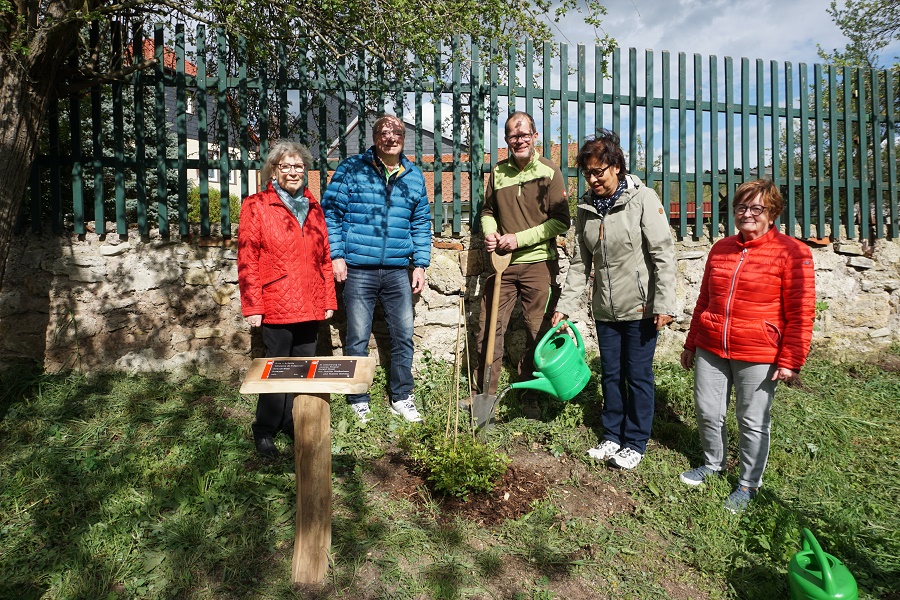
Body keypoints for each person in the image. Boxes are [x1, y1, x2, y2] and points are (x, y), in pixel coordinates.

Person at [678, 178, 815, 512]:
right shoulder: (721, 249)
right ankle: (713, 464)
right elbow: (704, 299)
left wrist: (791, 359)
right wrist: (691, 342)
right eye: (742, 207)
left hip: (758, 352)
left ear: (773, 213)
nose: (747, 214)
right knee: (708, 411)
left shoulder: (793, 252)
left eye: (757, 208)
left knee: (752, 420)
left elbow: (801, 311)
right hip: (711, 345)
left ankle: (748, 484)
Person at [552, 129, 677, 470]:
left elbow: (663, 253)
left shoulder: (643, 199)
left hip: (640, 307)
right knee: (610, 374)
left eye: (599, 172)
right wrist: (565, 307)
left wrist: (664, 303)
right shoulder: (586, 208)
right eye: (587, 174)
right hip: (605, 309)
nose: (593, 179)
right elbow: (580, 263)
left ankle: (635, 441)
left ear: (617, 167)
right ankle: (612, 436)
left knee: (637, 376)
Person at [322, 114, 432, 424]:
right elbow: (331, 214)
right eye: (384, 132)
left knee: (403, 336)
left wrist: (421, 263)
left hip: (398, 270)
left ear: (404, 138)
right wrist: (337, 255)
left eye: (397, 133)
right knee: (357, 337)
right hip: (358, 268)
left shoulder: (413, 175)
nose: (391, 138)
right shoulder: (351, 168)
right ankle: (358, 398)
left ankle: (402, 396)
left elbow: (421, 221)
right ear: (374, 138)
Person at [237, 141, 337, 458]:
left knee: (301, 368)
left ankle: (292, 422)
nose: (293, 172)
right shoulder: (256, 205)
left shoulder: (314, 206)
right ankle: (265, 429)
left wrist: (328, 299)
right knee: (277, 367)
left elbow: (324, 257)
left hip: (310, 301)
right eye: (286, 166)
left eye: (298, 166)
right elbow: (248, 259)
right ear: (273, 170)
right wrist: (253, 306)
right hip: (276, 299)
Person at [475, 111, 571, 410]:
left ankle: (531, 395)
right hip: (502, 264)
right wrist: (491, 233)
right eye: (513, 136)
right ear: (507, 140)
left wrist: (519, 239)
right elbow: (487, 212)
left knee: (537, 331)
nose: (519, 141)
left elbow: (561, 221)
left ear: (535, 136)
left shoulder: (550, 171)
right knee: (488, 327)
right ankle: (484, 396)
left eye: (524, 135)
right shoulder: (498, 172)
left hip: (539, 263)